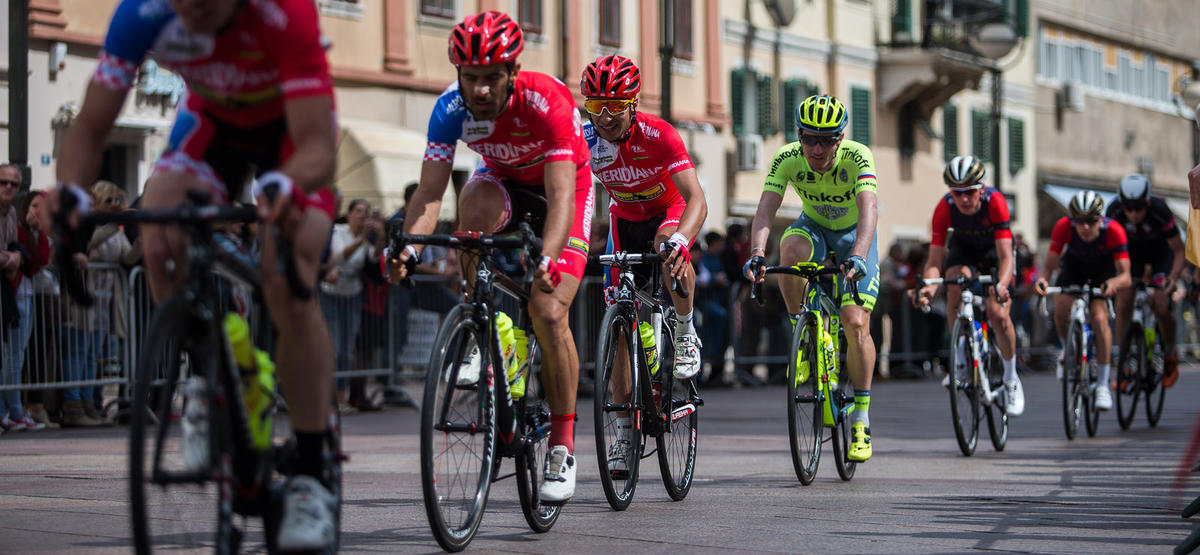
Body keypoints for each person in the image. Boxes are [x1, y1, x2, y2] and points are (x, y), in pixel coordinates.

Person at [50, 0, 338, 548]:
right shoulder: (141, 13)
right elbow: (89, 127)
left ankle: (310, 472)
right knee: (157, 234)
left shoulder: (285, 12)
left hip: (293, 134)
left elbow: (319, 148)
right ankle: (209, 375)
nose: (195, 6)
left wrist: (283, 189)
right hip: (212, 122)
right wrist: (68, 193)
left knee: (286, 271)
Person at [386, 10, 594, 506]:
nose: (479, 90)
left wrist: (547, 258)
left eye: (491, 79)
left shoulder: (548, 101)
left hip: (562, 190)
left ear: (512, 75)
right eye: (471, 78)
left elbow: (562, 196)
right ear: (459, 75)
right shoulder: (448, 109)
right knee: (471, 206)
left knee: (548, 310)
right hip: (500, 180)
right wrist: (409, 248)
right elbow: (430, 193)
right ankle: (479, 319)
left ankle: (562, 448)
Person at [579, 54, 709, 472]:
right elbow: (569, 190)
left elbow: (696, 199)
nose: (605, 117)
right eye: (596, 107)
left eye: (615, 107)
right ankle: (622, 430)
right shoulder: (586, 139)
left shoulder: (660, 135)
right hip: (623, 221)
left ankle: (686, 332)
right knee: (618, 332)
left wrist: (682, 241)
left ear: (633, 103)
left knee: (665, 244)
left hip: (667, 213)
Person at [743, 94, 881, 462]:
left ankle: (861, 420)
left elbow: (869, 209)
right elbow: (765, 211)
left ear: (839, 139)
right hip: (815, 228)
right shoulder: (787, 158)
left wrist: (859, 255)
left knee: (855, 322)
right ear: (799, 135)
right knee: (788, 253)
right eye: (809, 138)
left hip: (855, 235)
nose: (816, 148)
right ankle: (801, 333)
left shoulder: (858, 156)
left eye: (826, 140)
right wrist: (757, 253)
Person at [915, 155, 1025, 416]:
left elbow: (1007, 256)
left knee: (999, 316)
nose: (963, 199)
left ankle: (1011, 379)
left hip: (994, 253)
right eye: (957, 192)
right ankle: (961, 358)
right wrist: (929, 288)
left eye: (970, 192)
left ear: (982, 189)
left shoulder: (996, 202)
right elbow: (934, 260)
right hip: (963, 249)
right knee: (954, 281)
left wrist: (1001, 285)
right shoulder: (944, 208)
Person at [1034, 191, 1132, 412]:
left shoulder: (1114, 231)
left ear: (1100, 219)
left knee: (1099, 318)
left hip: (1103, 272)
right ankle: (1069, 350)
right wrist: (1042, 281)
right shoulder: (1063, 227)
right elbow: (1049, 266)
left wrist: (1114, 284)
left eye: (1091, 221)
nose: (1085, 227)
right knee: (1060, 309)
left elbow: (1126, 275)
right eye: (1079, 221)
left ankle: (1103, 384)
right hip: (1074, 268)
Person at [1106, 174, 1185, 388]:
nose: (1132, 214)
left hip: (1161, 255)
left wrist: (1172, 278)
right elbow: (1107, 250)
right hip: (1132, 257)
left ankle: (1170, 353)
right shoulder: (1113, 211)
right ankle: (1124, 364)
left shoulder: (1160, 211)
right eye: (1128, 208)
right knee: (1123, 304)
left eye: (1138, 208)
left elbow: (1179, 251)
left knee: (1160, 305)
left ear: (1147, 202)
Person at [0, 165, 48, 431]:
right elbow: (15, 257)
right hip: (11, 289)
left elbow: (38, 260)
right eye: (3, 182)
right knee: (7, 356)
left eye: (13, 184)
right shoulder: (12, 220)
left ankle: (14, 411)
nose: (8, 187)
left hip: (13, 291)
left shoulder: (10, 216)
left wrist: (35, 234)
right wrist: (11, 258)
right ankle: (9, 411)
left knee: (14, 357)